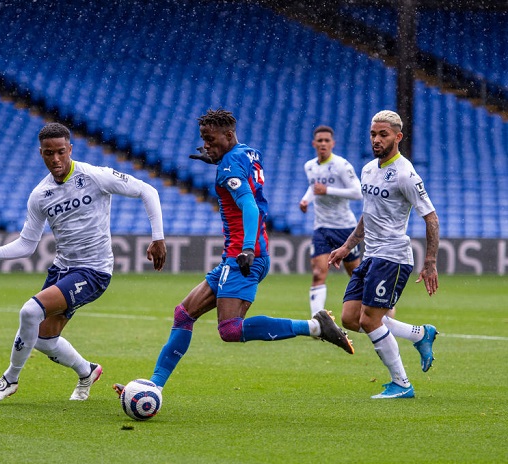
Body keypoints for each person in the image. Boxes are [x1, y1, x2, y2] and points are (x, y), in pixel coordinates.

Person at [113, 109, 354, 399]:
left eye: (211, 140)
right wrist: (217, 157)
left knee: (229, 329)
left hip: (243, 256)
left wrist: (247, 249)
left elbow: (249, 206)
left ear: (228, 135)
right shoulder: (248, 153)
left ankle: (315, 327)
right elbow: (242, 172)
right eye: (203, 140)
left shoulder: (229, 166)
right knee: (183, 314)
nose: (207, 146)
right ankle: (154, 385)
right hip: (240, 254)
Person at [0, 122, 167, 403]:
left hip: (94, 271)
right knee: (42, 339)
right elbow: (27, 245)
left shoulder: (94, 176)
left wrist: (158, 237)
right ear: (41, 153)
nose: (56, 159)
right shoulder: (40, 195)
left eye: (61, 152)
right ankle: (86, 371)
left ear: (71, 149)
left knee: (29, 312)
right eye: (49, 153)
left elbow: (148, 190)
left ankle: (10, 379)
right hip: (63, 269)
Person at [329, 110, 439, 399]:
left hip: (393, 256)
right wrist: (346, 245)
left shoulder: (405, 174)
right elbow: (368, 215)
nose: (376, 140)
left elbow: (431, 217)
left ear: (398, 137)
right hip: (370, 254)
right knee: (350, 318)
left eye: (383, 134)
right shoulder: (367, 169)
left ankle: (402, 384)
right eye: (373, 134)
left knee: (369, 320)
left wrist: (430, 262)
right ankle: (419, 334)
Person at [299, 125, 363, 318]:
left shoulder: (342, 165)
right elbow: (313, 187)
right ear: (314, 144)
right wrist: (305, 199)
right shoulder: (309, 166)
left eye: (327, 141)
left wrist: (328, 191)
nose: (323, 144)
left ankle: (374, 311)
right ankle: (317, 323)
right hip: (321, 227)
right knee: (318, 273)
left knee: (355, 275)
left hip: (345, 228)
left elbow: (358, 192)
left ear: (332, 144)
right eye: (320, 141)